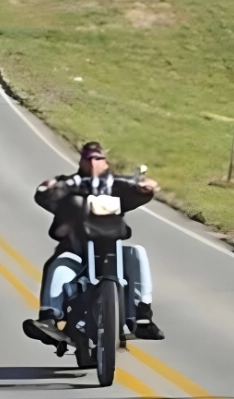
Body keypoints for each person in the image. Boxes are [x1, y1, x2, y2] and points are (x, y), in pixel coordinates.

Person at [22, 141, 164, 346]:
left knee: (137, 253)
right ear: (81, 161)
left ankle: (142, 316)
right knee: (58, 265)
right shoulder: (69, 183)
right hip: (76, 248)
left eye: (98, 158)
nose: (93, 162)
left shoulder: (117, 184)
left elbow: (140, 191)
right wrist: (49, 189)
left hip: (112, 248)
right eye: (88, 158)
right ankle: (48, 318)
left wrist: (146, 187)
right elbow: (45, 195)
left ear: (105, 162)